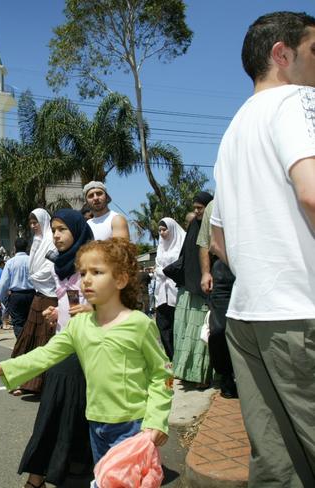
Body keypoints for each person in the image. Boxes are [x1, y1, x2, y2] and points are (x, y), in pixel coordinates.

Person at [209, 12, 315, 486]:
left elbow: (218, 238)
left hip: (249, 318)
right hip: (302, 313)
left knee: (278, 467)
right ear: (282, 54)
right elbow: (311, 191)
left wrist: (260, 270)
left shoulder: (232, 132)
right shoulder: (299, 100)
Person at [0, 238, 173, 467]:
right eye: (83, 272)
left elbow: (162, 374)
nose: (86, 279)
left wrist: (156, 421)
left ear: (120, 279)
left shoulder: (139, 324)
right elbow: (44, 355)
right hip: (95, 424)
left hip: (133, 426)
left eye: (97, 272)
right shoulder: (79, 325)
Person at [12, 209, 95, 488]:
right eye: (54, 230)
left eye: (62, 230)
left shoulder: (93, 261)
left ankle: (49, 475)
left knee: (69, 411)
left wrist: (93, 308)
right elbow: (66, 304)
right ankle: (39, 477)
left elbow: (118, 298)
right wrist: (55, 313)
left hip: (90, 349)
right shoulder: (62, 264)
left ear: (77, 230)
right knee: (55, 409)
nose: (56, 236)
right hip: (65, 344)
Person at [7, 210, 57, 396]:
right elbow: (34, 266)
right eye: (31, 222)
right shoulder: (37, 241)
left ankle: (40, 385)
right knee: (30, 339)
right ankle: (24, 381)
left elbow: (50, 267)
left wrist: (34, 277)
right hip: (38, 294)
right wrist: (34, 276)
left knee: (45, 342)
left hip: (50, 294)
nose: (33, 225)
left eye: (36, 222)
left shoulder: (51, 240)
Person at [172, 191, 213, 388]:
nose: (197, 212)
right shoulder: (193, 227)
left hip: (203, 290)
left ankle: (202, 375)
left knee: (201, 334)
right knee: (184, 330)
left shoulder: (212, 228)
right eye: (195, 208)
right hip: (187, 288)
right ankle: (186, 372)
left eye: (200, 208)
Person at [197, 200, 237, 399]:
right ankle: (225, 375)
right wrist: (206, 273)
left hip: (251, 265)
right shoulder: (213, 205)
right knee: (219, 329)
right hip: (221, 268)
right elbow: (204, 243)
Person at [154, 218, 186, 359]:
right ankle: (171, 358)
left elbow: (180, 265)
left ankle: (181, 359)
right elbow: (157, 267)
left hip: (176, 291)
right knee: (163, 326)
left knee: (178, 327)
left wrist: (165, 271)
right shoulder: (161, 247)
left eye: (164, 229)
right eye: (159, 230)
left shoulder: (181, 244)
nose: (162, 233)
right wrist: (162, 271)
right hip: (162, 293)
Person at [0, 238, 35, 339]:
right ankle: (29, 344)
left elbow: (3, 284)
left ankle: (21, 344)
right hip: (32, 294)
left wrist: (4, 300)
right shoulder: (32, 260)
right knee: (31, 322)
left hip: (16, 295)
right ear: (27, 248)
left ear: (15, 248)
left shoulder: (10, 262)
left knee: (18, 323)